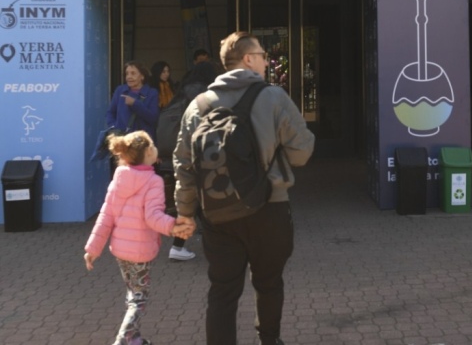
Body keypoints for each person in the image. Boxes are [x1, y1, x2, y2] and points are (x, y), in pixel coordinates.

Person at [173, 31, 315, 345]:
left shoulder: (198, 105)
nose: (267, 61)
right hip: (270, 206)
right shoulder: (275, 97)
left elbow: (183, 164)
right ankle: (269, 340)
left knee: (222, 291)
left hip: (217, 212)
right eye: (264, 55)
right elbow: (302, 152)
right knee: (268, 283)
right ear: (248, 60)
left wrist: (185, 213)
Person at [84, 131, 191, 345]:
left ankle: (134, 338)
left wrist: (93, 249)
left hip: (121, 251)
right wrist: (172, 226)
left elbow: (106, 216)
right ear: (150, 152)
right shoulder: (153, 181)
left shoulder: (118, 179)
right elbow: (153, 217)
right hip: (140, 252)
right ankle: (123, 340)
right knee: (139, 299)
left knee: (132, 294)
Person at [157, 61, 219, 261]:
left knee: (191, 202)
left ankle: (180, 245)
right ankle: (191, 245)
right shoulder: (203, 94)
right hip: (201, 154)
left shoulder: (182, 90)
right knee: (201, 202)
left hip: (179, 153)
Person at [106, 61, 160, 177]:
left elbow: (153, 118)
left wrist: (135, 104)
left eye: (133, 73)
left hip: (142, 147)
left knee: (143, 179)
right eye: (127, 74)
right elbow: (110, 113)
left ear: (142, 76)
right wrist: (114, 128)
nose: (129, 77)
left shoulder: (151, 93)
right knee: (123, 178)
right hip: (123, 144)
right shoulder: (120, 91)